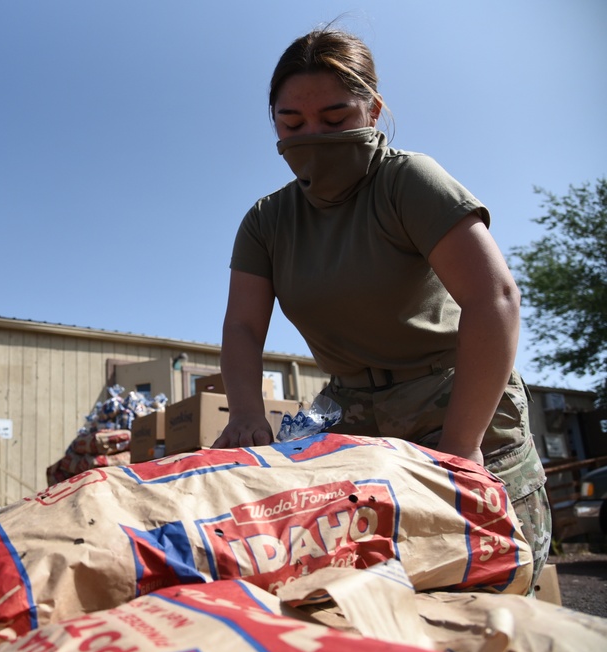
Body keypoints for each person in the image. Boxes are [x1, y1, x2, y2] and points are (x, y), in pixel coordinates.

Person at [213, 27, 551, 591]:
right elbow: (243, 326)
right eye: (292, 125)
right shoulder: (267, 221)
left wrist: (463, 448)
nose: (314, 136)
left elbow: (494, 300)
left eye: (336, 118)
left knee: (489, 577)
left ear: (372, 109)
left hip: (454, 396)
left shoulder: (407, 181)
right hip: (351, 412)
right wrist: (246, 410)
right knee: (356, 583)